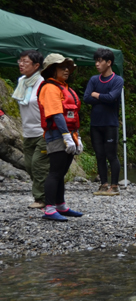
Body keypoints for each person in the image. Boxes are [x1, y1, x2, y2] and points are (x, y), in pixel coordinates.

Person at [35, 54, 84, 222]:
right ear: (51, 70)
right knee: (55, 172)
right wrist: (65, 136)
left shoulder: (63, 87)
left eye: (67, 67)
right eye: (62, 67)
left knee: (61, 173)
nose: (66, 70)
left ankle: (60, 205)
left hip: (69, 134)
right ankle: (49, 208)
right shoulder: (49, 88)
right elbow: (56, 114)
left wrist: (77, 136)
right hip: (57, 134)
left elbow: (72, 114)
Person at [82, 48, 125, 196]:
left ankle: (114, 186)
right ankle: (103, 185)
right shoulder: (94, 79)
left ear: (109, 62)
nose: (97, 64)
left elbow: (112, 97)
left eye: (100, 61)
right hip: (96, 124)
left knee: (111, 154)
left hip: (110, 123)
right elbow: (86, 98)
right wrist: (102, 97)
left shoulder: (117, 80)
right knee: (99, 154)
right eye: (96, 61)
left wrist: (97, 95)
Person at [11, 50, 48, 208]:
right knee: (29, 165)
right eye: (20, 61)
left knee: (38, 165)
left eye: (25, 61)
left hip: (43, 132)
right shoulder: (21, 81)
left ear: (36, 65)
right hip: (27, 132)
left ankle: (41, 199)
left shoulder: (43, 84)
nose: (21, 64)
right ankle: (50, 191)